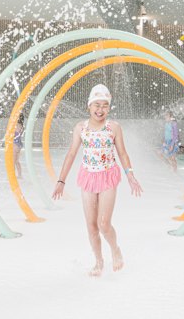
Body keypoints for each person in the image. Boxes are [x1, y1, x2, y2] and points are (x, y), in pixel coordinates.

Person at [52, 84, 142, 277]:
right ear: (89, 106)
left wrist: (130, 175)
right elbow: (71, 154)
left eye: (104, 106)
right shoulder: (80, 128)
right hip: (88, 177)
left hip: (108, 176)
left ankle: (115, 249)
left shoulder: (114, 128)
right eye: (96, 105)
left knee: (103, 224)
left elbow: (123, 153)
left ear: (108, 108)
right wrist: (61, 181)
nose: (100, 110)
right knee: (91, 226)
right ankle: (99, 261)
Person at [13, 113, 25, 179]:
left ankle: (12, 175)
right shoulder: (22, 126)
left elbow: (15, 134)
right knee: (17, 161)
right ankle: (19, 175)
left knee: (13, 161)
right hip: (19, 144)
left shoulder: (17, 125)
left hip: (15, 144)